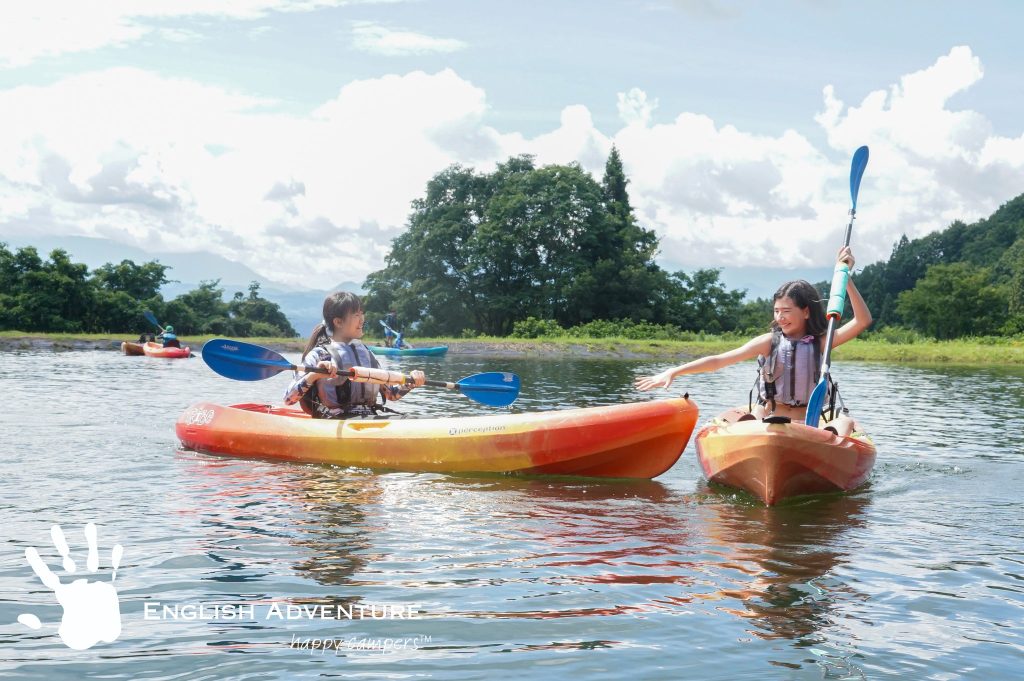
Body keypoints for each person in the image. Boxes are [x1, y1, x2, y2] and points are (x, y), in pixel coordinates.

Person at [634, 247, 872, 432]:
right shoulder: (769, 342)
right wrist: (673, 371)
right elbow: (719, 361)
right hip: (769, 417)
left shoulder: (821, 342)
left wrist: (844, 276)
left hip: (809, 425)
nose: (780, 317)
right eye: (776, 311)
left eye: (786, 311)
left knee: (845, 422)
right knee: (751, 419)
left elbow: (862, 320)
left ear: (806, 311)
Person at [284, 292, 425, 419]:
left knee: (415, 421)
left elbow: (391, 394)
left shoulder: (367, 354)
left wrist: (411, 382)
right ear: (338, 322)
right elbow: (289, 399)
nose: (362, 319)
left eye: (362, 313)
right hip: (335, 420)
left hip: (369, 417)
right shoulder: (320, 355)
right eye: (356, 315)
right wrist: (315, 375)